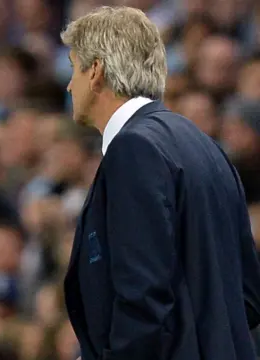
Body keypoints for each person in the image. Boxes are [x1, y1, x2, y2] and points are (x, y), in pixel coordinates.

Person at [60, 6, 260, 360]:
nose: (68, 84)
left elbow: (143, 297)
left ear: (96, 72)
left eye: (74, 67)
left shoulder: (134, 149)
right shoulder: (204, 145)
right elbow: (248, 296)